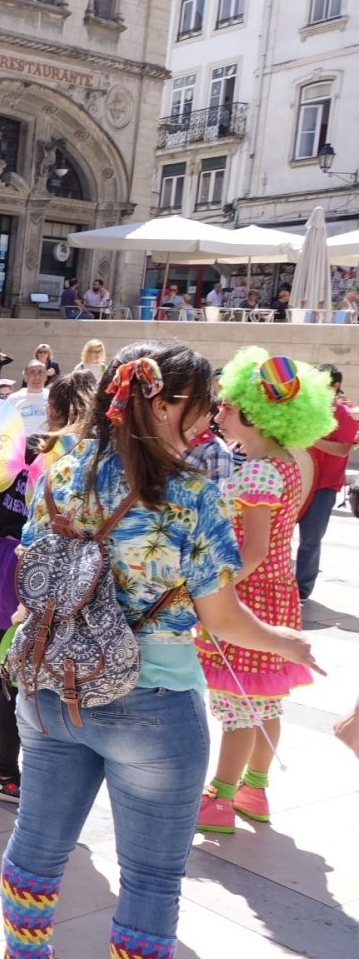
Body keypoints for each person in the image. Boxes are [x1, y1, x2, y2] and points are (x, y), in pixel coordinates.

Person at [0, 341, 316, 959]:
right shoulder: (191, 494)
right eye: (198, 409)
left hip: (52, 685)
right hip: (153, 701)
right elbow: (222, 618)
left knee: (37, 844)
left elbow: (32, 571)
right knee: (149, 875)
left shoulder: (58, 467)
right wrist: (286, 641)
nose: (205, 425)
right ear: (166, 403)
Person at [196, 351, 332, 834]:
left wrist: (216, 588)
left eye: (227, 406)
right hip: (278, 594)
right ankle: (255, 789)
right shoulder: (287, 463)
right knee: (264, 702)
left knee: (239, 707)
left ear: (252, 415)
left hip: (250, 598)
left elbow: (251, 550)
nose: (219, 413)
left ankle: (219, 797)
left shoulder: (256, 471)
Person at [0, 371, 96, 804]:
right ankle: (4, 772)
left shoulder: (19, 448)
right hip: (28, 566)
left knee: (1, 664)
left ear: (51, 409)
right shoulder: (72, 460)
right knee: (18, 674)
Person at [296, 365, 355, 599]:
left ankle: (302, 588)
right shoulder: (305, 410)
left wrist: (312, 440)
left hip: (324, 486)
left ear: (335, 386)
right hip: (298, 482)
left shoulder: (344, 414)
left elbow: (342, 449)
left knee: (310, 538)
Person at [6, 361, 51, 434]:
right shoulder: (13, 399)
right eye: (32, 372)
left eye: (40, 372)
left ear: (46, 377)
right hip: (23, 443)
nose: (37, 377)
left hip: (46, 443)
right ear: (25, 377)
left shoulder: (53, 397)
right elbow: (5, 424)